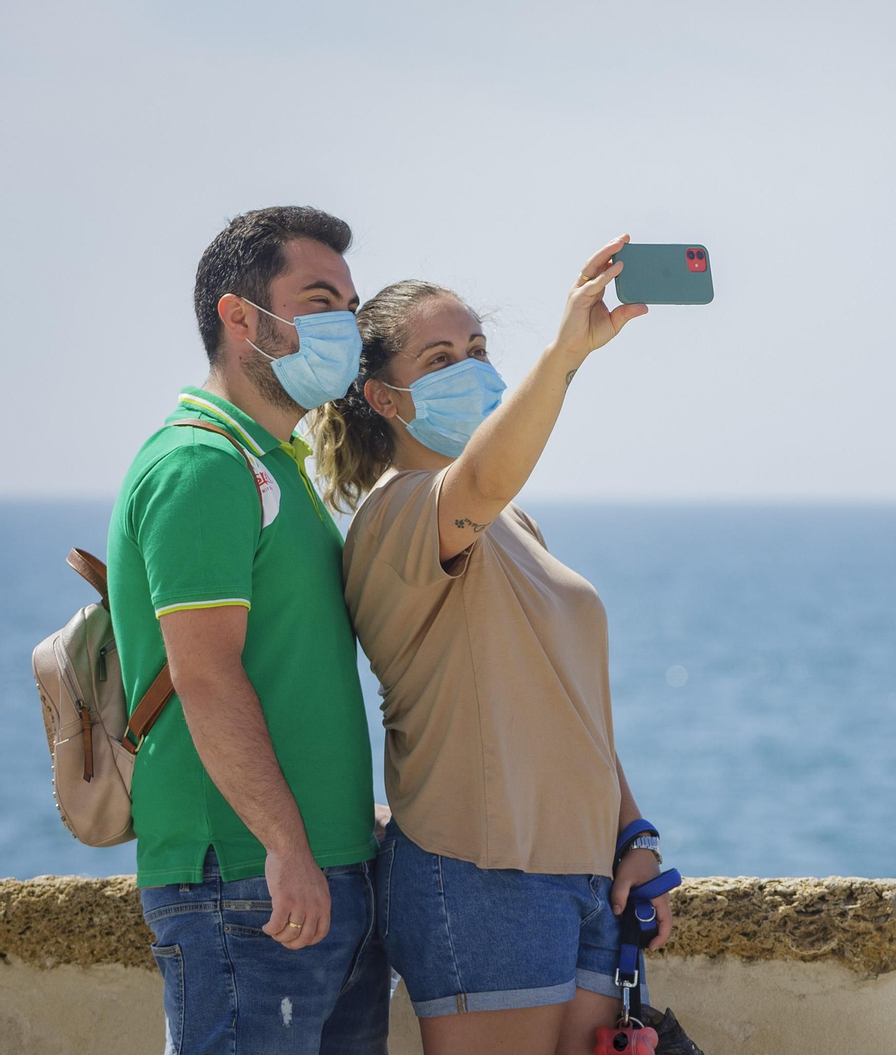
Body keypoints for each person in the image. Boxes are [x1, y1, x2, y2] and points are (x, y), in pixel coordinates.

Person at [309, 236, 673, 1055]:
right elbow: (480, 478)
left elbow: (571, 703)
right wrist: (567, 355)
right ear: (384, 398)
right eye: (439, 357)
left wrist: (634, 837)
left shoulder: (514, 524)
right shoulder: (399, 511)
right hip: (479, 872)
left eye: (476, 349)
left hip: (581, 877)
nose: (470, 367)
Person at [108, 207, 389, 1053]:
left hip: (317, 873)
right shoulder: (201, 462)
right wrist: (285, 844)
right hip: (246, 881)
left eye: (350, 302)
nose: (347, 324)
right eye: (318, 300)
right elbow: (206, 675)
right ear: (240, 317)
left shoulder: (274, 462)